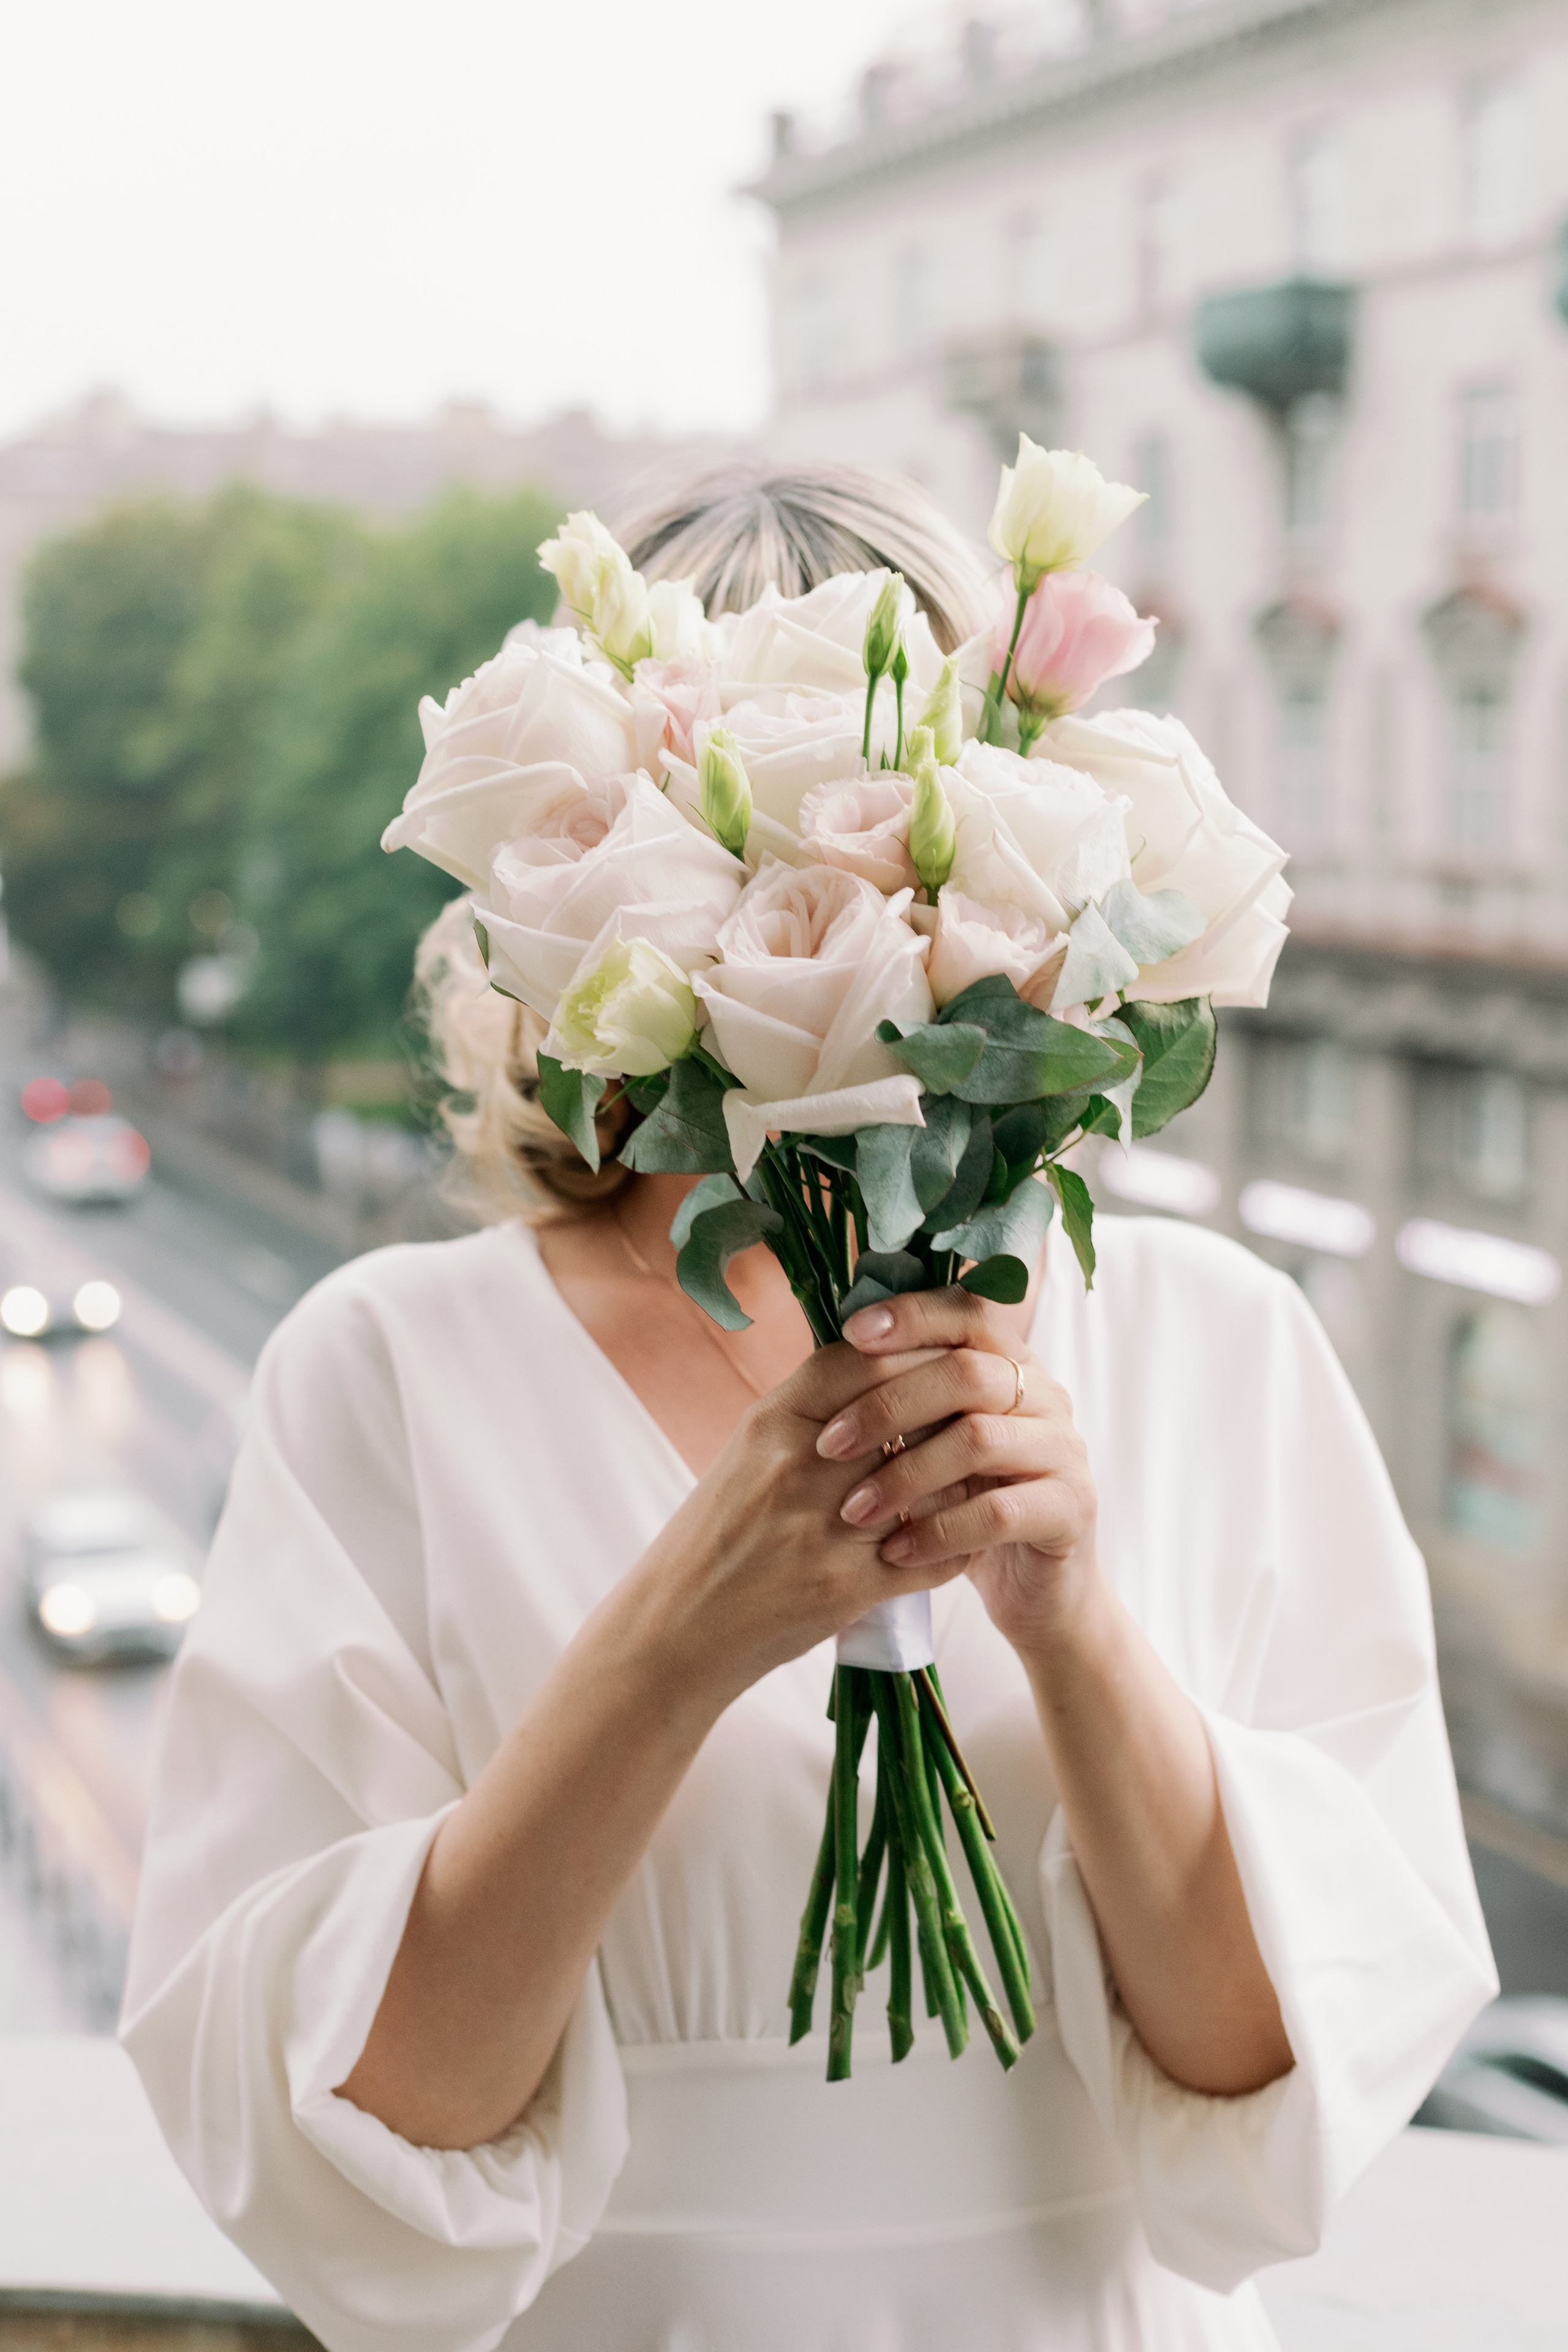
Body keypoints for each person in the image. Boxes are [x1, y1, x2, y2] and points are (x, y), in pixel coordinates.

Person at [122, 465, 1496, 2352]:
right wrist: (685, 1634)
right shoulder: (386, 1366)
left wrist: (1072, 1617)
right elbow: (361, 2151)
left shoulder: (1221, 1344)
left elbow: (1266, 2109)